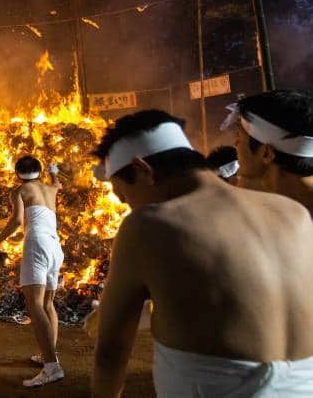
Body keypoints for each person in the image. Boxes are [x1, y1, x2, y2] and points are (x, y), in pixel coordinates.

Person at [91, 109, 313, 397]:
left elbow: (110, 352)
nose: (129, 206)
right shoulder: (292, 212)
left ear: (143, 169)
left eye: (125, 196)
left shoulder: (147, 226)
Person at [0, 156, 65, 387]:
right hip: (55, 245)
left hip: (37, 243)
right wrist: (54, 173)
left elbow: (17, 220)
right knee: (48, 303)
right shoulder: (50, 188)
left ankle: (52, 367)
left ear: (17, 174)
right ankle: (48, 354)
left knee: (35, 304)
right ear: (39, 171)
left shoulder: (19, 191)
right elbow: (58, 185)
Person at [225, 89, 313, 214]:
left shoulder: (285, 220)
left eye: (239, 136)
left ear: (266, 153)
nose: (235, 144)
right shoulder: (288, 208)